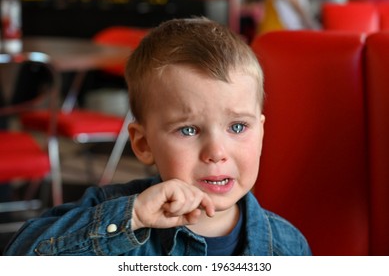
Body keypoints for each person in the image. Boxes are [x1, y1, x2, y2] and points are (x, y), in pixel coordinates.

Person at [4, 17, 311, 256]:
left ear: (261, 132)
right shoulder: (113, 211)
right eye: (188, 130)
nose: (217, 152)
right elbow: (20, 256)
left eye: (238, 127)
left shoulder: (288, 246)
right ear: (143, 143)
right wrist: (132, 216)